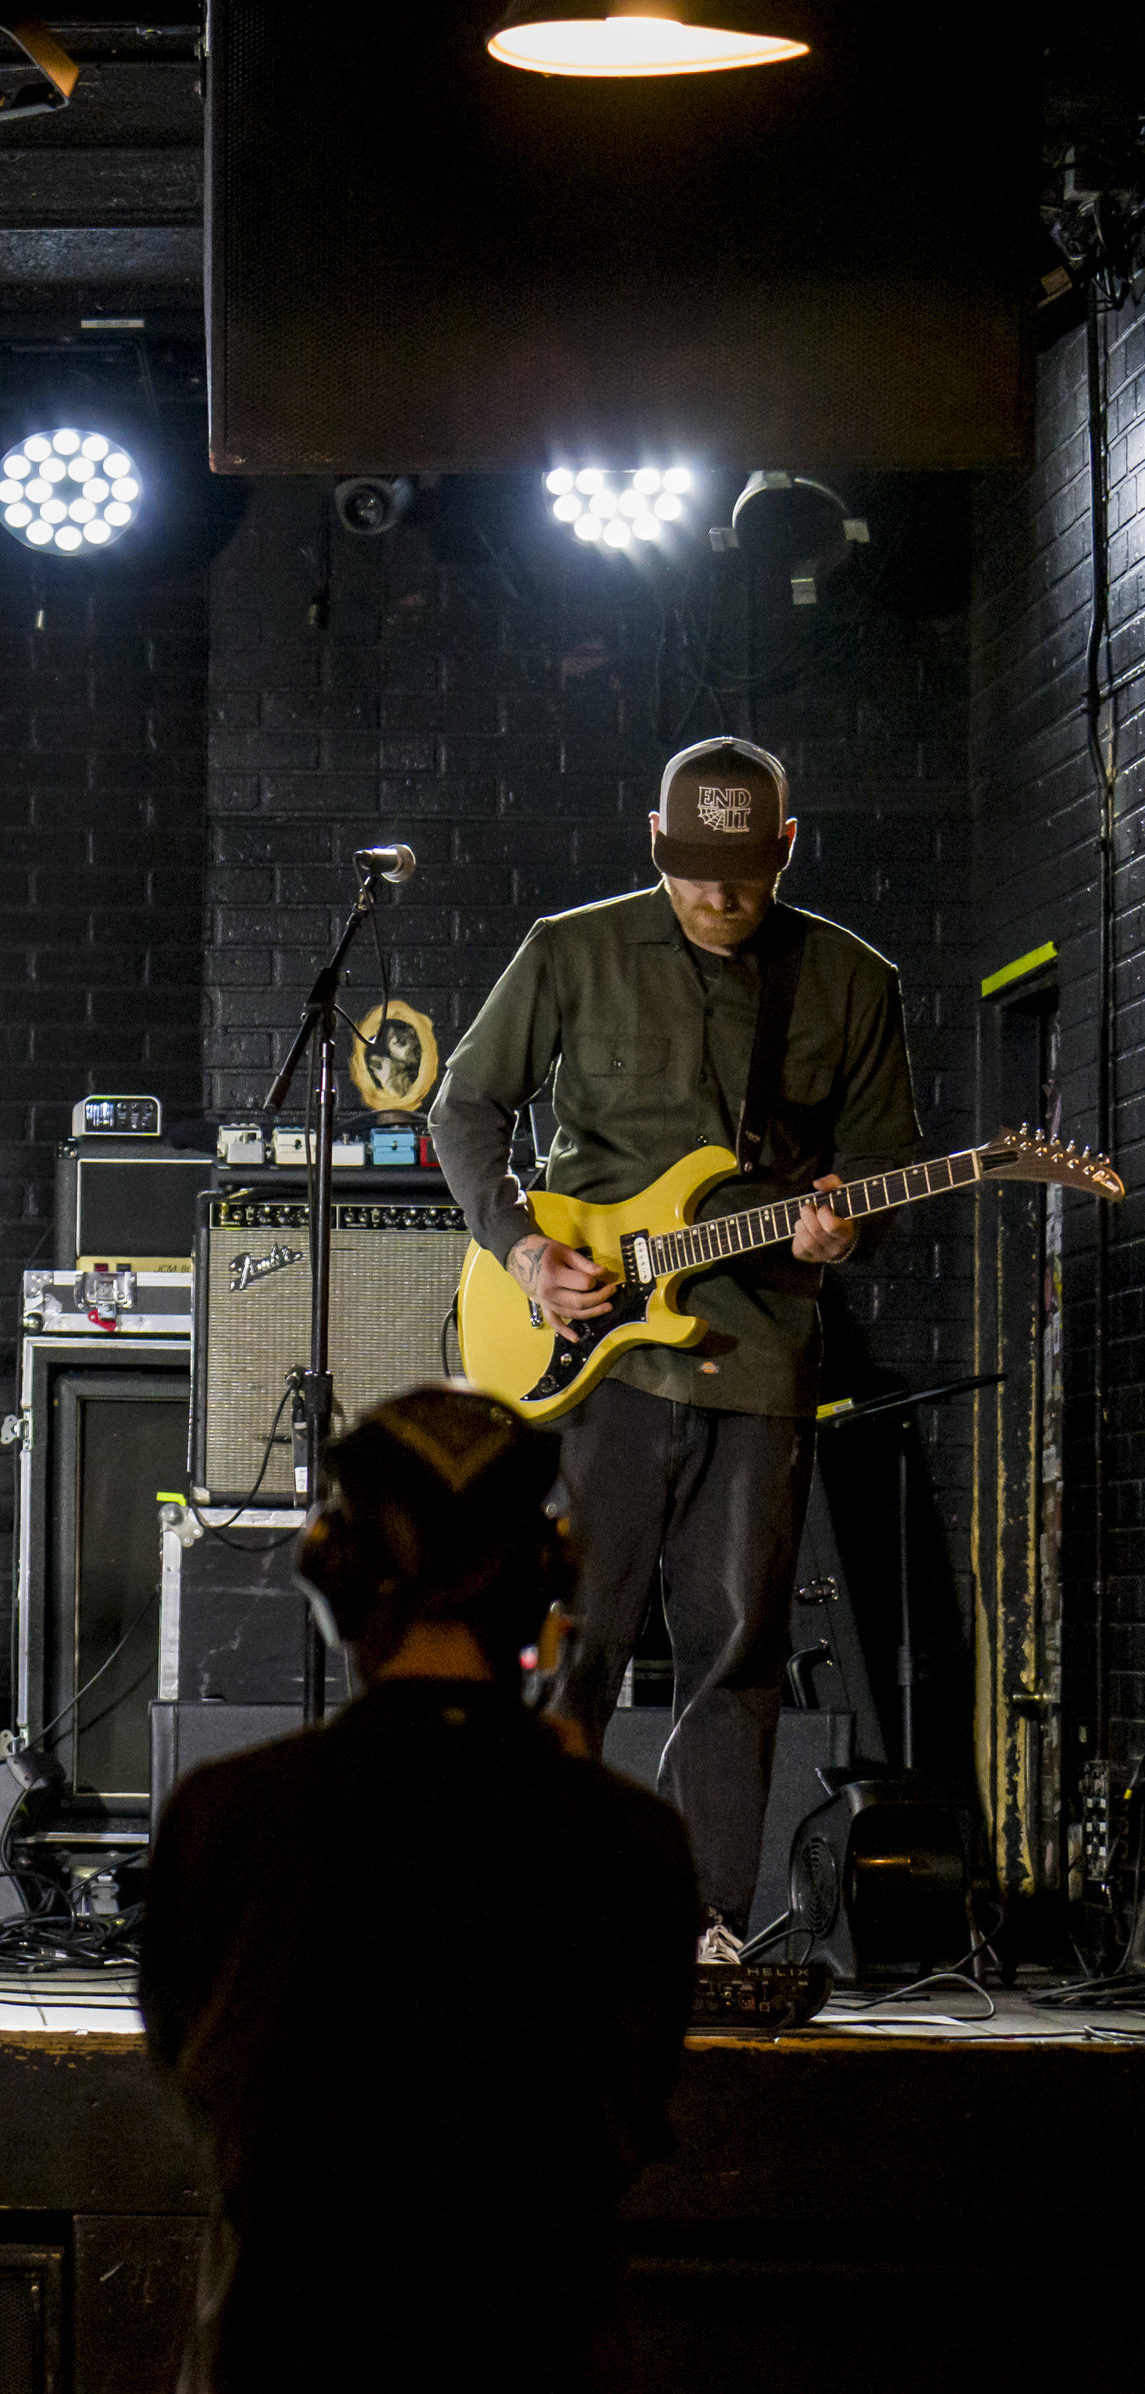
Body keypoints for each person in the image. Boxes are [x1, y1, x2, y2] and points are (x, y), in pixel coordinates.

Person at [430, 733, 919, 1950]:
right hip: (597, 1358)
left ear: (785, 852)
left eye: (744, 874)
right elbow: (466, 1107)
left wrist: (839, 1236)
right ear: (654, 844)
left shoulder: (850, 981)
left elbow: (886, 1169)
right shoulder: (570, 951)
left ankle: (703, 1922)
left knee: (734, 1647)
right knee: (568, 1642)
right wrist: (525, 1252)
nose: (718, 895)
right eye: (695, 869)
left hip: (757, 1355)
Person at [142, 1386, 699, 2394]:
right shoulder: (630, 1837)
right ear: (547, 1575)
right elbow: (628, 2115)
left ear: (329, 1573)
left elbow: (196, 2087)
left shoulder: (221, 1817)